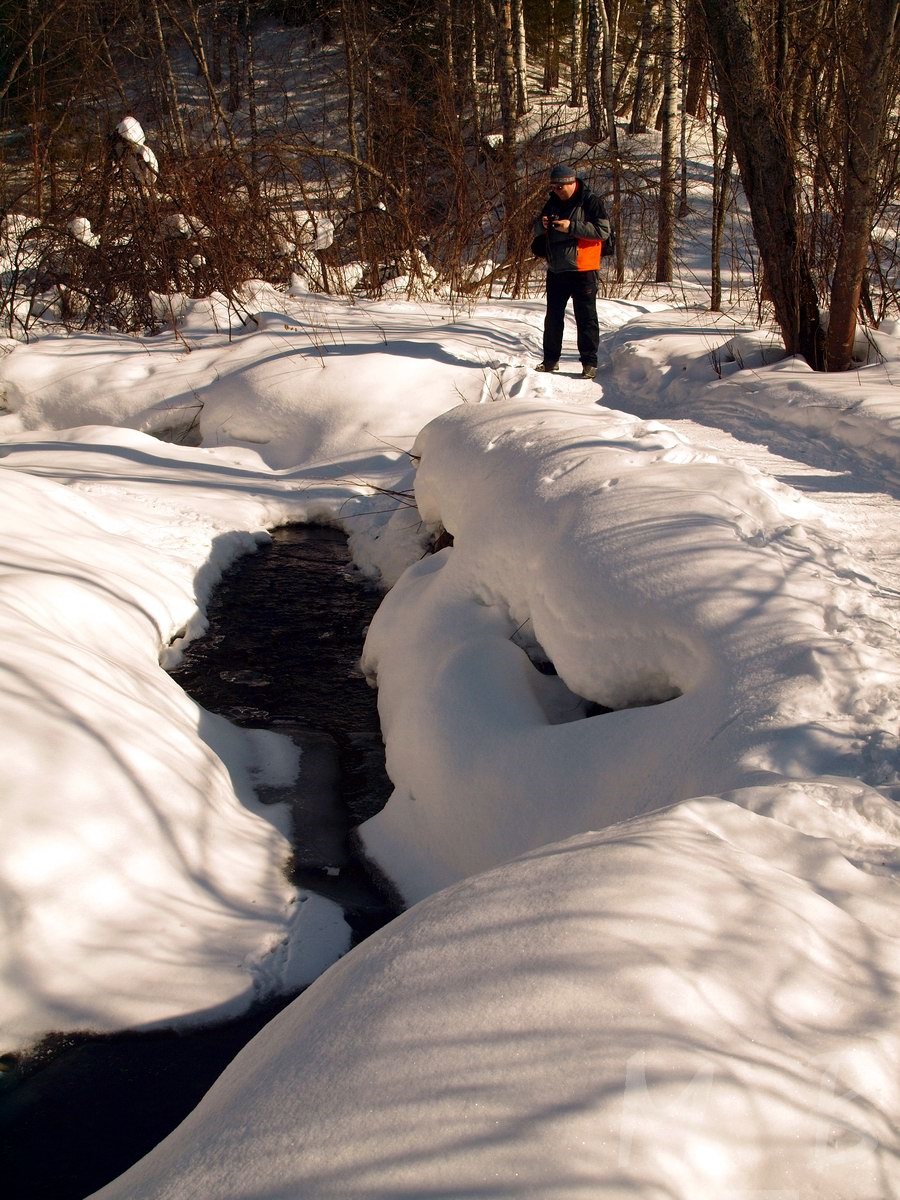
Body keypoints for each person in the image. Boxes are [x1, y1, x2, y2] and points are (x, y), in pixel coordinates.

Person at [534, 163, 610, 380]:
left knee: (586, 317)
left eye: (559, 187)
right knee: (553, 317)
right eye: (553, 187)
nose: (556, 190)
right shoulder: (552, 202)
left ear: (572, 182)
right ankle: (550, 361)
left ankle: (589, 363)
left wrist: (572, 227)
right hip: (556, 269)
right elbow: (535, 229)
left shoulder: (590, 201)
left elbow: (603, 231)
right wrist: (543, 225)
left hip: (583, 269)